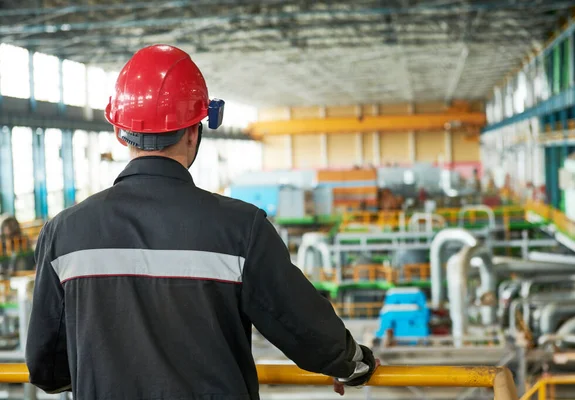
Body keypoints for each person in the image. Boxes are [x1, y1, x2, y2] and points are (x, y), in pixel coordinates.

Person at [26, 44, 377, 400]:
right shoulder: (242, 229)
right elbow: (303, 328)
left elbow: (47, 369)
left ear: (120, 132)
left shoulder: (63, 232)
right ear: (194, 131)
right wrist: (352, 364)